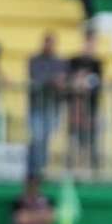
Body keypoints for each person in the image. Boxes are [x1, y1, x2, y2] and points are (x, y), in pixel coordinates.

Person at [27, 32, 68, 178]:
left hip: (53, 105)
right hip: (37, 105)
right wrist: (53, 80)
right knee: (37, 137)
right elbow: (37, 77)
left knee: (46, 138)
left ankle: (41, 167)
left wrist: (57, 81)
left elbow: (64, 80)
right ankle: (35, 169)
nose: (49, 46)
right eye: (47, 42)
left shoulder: (60, 62)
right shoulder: (34, 60)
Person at [67, 32, 103, 171]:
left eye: (92, 44)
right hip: (75, 107)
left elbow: (97, 82)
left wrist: (84, 81)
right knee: (73, 139)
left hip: (91, 107)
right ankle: (72, 168)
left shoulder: (97, 63)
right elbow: (69, 81)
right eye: (88, 43)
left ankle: (90, 169)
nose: (90, 47)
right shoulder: (74, 61)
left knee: (90, 140)